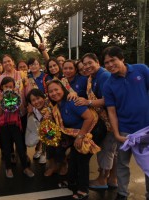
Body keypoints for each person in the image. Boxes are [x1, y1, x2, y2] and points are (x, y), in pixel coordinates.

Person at [102, 46, 149, 200]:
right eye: (106, 62)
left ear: (122, 58)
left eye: (112, 60)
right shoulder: (108, 84)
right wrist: (116, 134)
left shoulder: (141, 70)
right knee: (122, 164)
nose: (109, 65)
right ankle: (122, 193)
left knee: (148, 164)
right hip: (125, 132)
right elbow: (112, 112)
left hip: (146, 129)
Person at [47, 79, 102, 199]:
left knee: (82, 159)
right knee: (73, 157)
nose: (54, 93)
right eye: (51, 91)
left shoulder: (71, 101)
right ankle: (72, 182)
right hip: (77, 133)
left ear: (63, 89)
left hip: (93, 131)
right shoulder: (57, 106)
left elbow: (89, 118)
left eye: (56, 89)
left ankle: (83, 190)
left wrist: (81, 136)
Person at [75, 53, 117, 190]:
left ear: (97, 62)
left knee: (106, 150)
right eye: (84, 64)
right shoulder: (92, 77)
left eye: (89, 63)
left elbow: (109, 99)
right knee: (111, 151)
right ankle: (112, 179)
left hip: (109, 121)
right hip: (105, 120)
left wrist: (88, 102)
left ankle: (102, 180)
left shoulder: (104, 76)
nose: (87, 66)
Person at [0, 77, 34, 178]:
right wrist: (1, 103)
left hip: (16, 125)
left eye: (10, 87)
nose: (8, 88)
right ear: (2, 87)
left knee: (20, 147)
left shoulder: (16, 96)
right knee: (7, 148)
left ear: (14, 87)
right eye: (6, 87)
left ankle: (25, 168)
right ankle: (8, 168)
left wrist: (19, 100)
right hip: (4, 126)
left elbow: (21, 111)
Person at [26, 58, 51, 164]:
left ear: (39, 65)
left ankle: (45, 152)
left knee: (46, 129)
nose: (33, 66)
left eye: (35, 64)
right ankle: (38, 149)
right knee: (37, 129)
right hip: (34, 106)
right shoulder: (27, 78)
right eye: (31, 65)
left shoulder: (45, 76)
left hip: (45, 106)